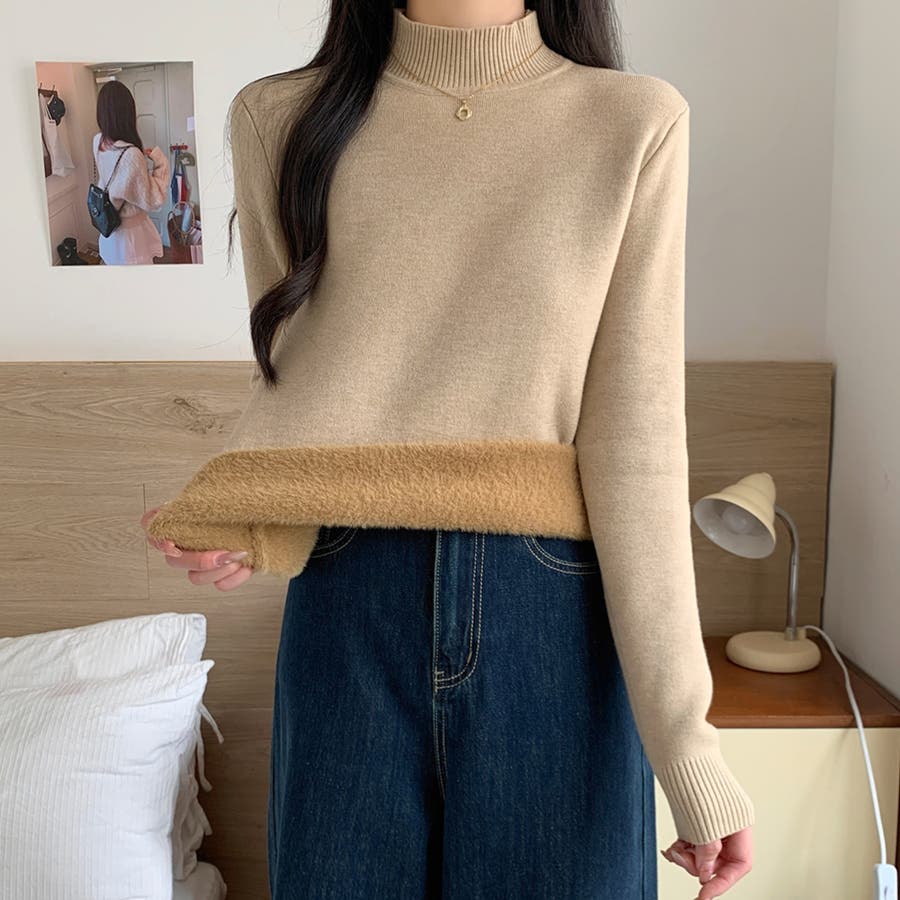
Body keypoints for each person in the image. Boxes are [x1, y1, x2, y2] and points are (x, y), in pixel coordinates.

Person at [143, 2, 756, 897]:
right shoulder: (278, 119)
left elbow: (638, 441)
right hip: (347, 604)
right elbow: (302, 386)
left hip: (555, 621)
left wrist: (687, 745)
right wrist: (261, 524)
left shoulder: (632, 121)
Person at [92, 80, 169, 265]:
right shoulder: (131, 155)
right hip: (131, 240)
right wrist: (161, 161)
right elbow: (154, 199)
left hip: (109, 232)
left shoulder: (97, 141)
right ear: (127, 113)